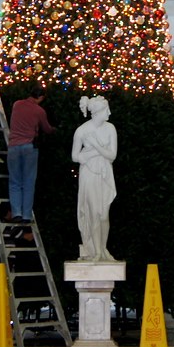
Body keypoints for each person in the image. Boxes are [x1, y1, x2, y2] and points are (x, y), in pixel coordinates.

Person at [71, 95, 117, 260]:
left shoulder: (110, 128)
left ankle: (103, 249)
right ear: (97, 112)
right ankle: (96, 251)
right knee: (93, 213)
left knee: (104, 214)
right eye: (106, 110)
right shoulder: (82, 131)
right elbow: (75, 157)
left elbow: (112, 155)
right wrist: (97, 151)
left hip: (105, 173)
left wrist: (95, 146)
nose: (109, 113)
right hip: (89, 174)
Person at [7, 86, 55, 233]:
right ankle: (27, 215)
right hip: (29, 147)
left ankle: (16, 213)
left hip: (13, 146)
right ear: (40, 98)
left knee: (15, 181)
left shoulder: (17, 104)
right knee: (28, 181)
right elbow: (46, 128)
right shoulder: (39, 111)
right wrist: (54, 130)